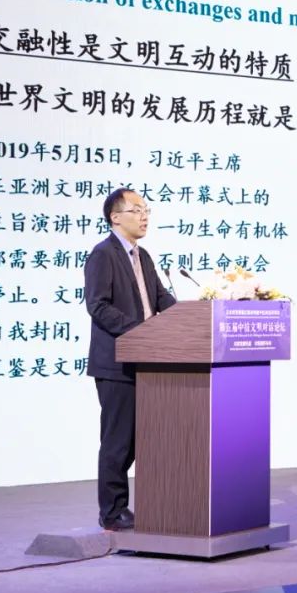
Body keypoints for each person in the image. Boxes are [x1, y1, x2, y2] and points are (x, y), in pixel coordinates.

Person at [84, 188, 175, 531]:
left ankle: (143, 504)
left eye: (146, 209)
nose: (144, 216)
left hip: (147, 361)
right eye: (137, 209)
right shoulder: (102, 255)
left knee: (140, 440)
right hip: (117, 364)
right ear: (115, 217)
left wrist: (195, 316)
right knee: (118, 440)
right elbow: (98, 306)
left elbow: (160, 298)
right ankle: (112, 511)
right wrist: (140, 331)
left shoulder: (143, 256)